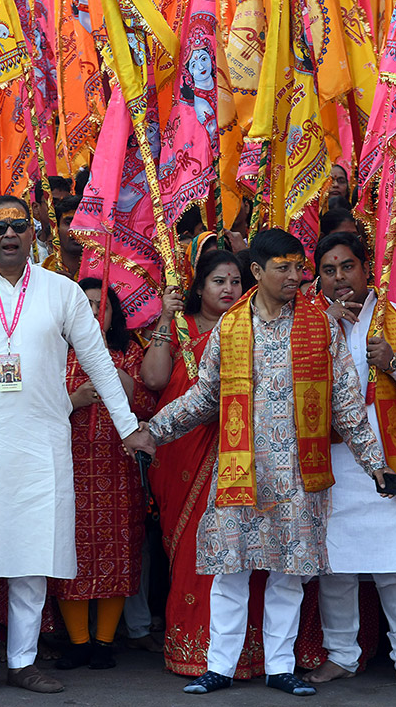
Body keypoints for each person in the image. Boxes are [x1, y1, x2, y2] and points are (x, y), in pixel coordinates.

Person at [0, 195, 156, 700]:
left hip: (41, 447)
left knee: (32, 559)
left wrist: (128, 425)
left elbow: (96, 360)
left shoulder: (62, 292)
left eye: (19, 226)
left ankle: (23, 661)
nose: (9, 234)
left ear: (33, 234)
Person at [146, 229, 388, 697]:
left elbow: (346, 402)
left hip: (299, 476)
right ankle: (218, 666)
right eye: (284, 267)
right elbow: (205, 397)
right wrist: (153, 431)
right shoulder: (231, 327)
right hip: (241, 471)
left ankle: (280, 667)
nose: (296, 276)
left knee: (289, 577)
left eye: (299, 266)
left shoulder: (320, 324)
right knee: (230, 573)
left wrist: (374, 462)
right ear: (257, 271)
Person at [307, 233, 396, 691]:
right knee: (336, 569)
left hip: (390, 462)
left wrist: (395, 361)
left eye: (347, 267)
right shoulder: (308, 324)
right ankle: (342, 655)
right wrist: (322, 330)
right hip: (334, 466)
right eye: (328, 270)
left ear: (366, 270)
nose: (339, 278)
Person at [142, 250, 264, 679]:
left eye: (234, 281)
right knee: (193, 549)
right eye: (218, 281)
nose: (229, 289)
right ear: (198, 289)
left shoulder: (254, 327)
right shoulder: (182, 327)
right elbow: (155, 380)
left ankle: (240, 655)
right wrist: (163, 320)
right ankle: (192, 652)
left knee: (237, 552)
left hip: (238, 451)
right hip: (183, 449)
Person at [52, 279, 157, 670]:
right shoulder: (55, 353)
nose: (95, 312)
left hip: (117, 470)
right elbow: (31, 406)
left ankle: (104, 642)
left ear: (114, 313)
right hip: (69, 469)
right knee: (69, 552)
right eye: (87, 304)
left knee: (117, 551)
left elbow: (147, 401)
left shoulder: (129, 352)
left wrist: (114, 373)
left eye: (102, 305)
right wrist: (72, 400)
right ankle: (78, 641)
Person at [42, 196, 83, 279]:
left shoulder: (104, 273)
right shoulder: (41, 274)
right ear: (56, 229)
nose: (74, 230)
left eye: (82, 223)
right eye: (68, 223)